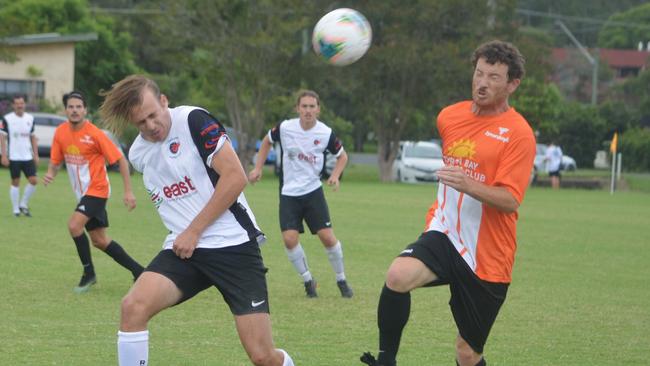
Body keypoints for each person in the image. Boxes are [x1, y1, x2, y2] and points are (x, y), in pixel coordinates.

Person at [360, 40, 536, 366]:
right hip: (444, 233)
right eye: (479, 73)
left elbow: (511, 200)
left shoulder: (519, 134)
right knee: (398, 276)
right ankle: (386, 360)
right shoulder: (449, 117)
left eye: (494, 77)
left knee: (467, 354)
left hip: (488, 256)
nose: (482, 83)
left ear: (513, 84)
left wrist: (469, 184)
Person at [99, 75, 294, 366]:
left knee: (263, 357)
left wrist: (193, 230)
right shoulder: (138, 154)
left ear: (164, 101)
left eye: (153, 115)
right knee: (133, 307)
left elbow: (235, 177)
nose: (151, 126)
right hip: (184, 251)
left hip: (234, 246)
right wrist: (185, 233)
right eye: (141, 122)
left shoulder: (194, 121)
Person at [248, 90, 353, 299]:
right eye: (304, 106)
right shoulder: (286, 128)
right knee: (289, 239)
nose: (308, 110)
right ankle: (308, 280)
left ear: (318, 109)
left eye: (312, 106)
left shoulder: (325, 133)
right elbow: (267, 141)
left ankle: (341, 279)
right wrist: (258, 168)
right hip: (288, 193)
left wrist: (335, 176)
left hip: (313, 191)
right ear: (297, 108)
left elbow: (342, 156)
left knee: (327, 237)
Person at [43, 91, 144, 293]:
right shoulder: (60, 133)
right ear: (66, 110)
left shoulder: (95, 134)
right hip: (83, 194)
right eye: (71, 107)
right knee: (99, 240)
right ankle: (139, 271)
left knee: (74, 226)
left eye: (78, 107)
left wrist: (128, 192)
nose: (74, 110)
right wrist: (50, 173)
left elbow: (121, 161)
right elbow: (55, 161)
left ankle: (89, 274)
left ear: (85, 110)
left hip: (97, 190)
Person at [0, 95, 38, 217]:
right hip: (14, 156)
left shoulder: (30, 118)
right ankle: (16, 209)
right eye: (17, 103)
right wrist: (4, 155)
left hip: (27, 156)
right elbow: (2, 137)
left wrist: (36, 154)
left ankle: (23, 204)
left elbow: (32, 137)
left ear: (24, 104)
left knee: (33, 180)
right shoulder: (6, 119)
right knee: (15, 182)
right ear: (13, 105)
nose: (20, 105)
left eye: (21, 103)